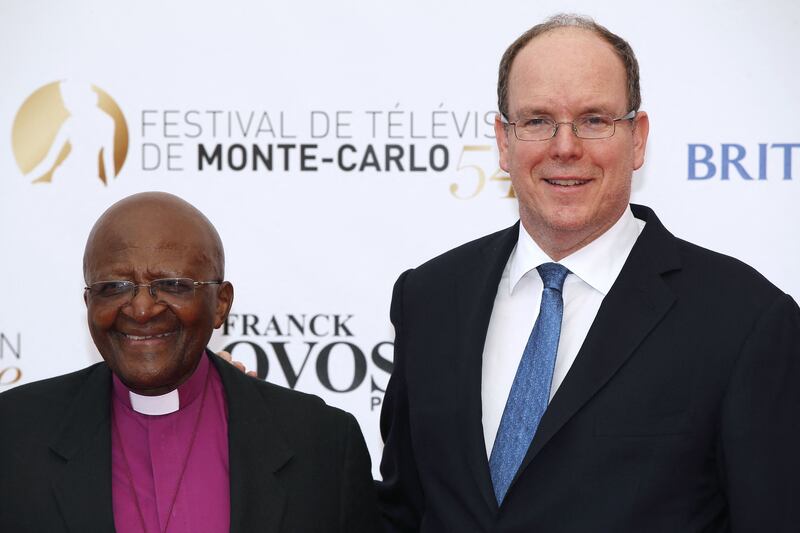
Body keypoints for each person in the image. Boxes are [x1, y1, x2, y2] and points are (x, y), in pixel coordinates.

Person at [376, 14, 800, 532]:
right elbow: (402, 511)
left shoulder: (745, 322)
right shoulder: (430, 298)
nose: (565, 147)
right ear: (504, 142)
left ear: (638, 138)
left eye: (595, 120)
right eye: (536, 121)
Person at [0, 192, 380, 533]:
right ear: (89, 304)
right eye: (113, 287)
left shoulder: (323, 445)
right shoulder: (13, 436)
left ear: (221, 304)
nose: (142, 309)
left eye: (173, 284)